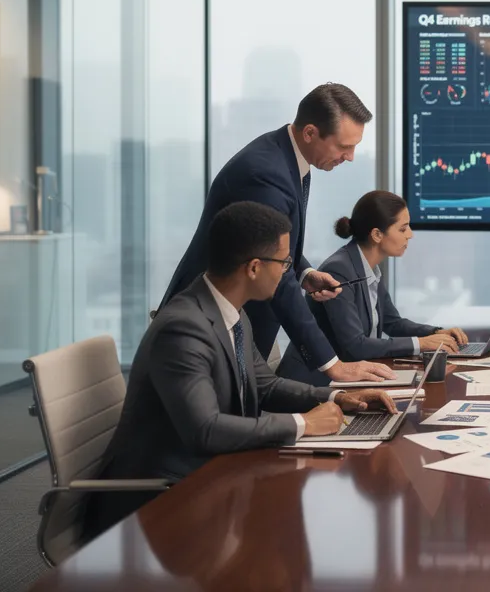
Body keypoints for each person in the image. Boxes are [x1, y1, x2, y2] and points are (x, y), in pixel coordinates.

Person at [85, 202, 398, 537]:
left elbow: (266, 386)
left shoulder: (231, 312)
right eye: (284, 262)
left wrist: (339, 397)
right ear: (253, 268)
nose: (287, 273)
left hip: (213, 475)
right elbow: (204, 429)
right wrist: (304, 423)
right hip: (159, 501)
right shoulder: (183, 329)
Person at [162, 83, 393, 383]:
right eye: (343, 146)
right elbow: (274, 271)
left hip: (235, 323)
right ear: (310, 133)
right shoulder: (266, 174)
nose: (349, 156)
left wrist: (304, 272)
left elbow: (271, 246)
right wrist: (332, 365)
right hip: (208, 325)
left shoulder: (286, 158)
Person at [277, 190, 471, 386]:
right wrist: (421, 344)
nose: (410, 235)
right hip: (310, 385)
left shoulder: (368, 267)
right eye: (403, 229)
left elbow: (392, 323)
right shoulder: (339, 269)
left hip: (347, 379)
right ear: (377, 235)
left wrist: (436, 333)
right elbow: (355, 346)